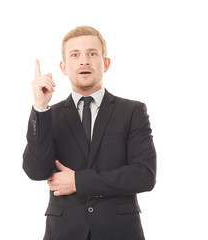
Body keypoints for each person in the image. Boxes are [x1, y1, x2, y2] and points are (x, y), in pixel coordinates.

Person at [23, 26, 156, 240]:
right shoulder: (50, 115)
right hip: (64, 232)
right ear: (64, 67)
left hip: (120, 232)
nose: (84, 61)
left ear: (106, 63)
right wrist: (40, 108)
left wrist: (79, 181)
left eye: (92, 54)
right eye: (75, 55)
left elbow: (143, 176)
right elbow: (36, 171)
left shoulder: (132, 111)